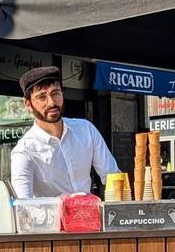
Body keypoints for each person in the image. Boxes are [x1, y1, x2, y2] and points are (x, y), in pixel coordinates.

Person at [9, 66, 119, 198]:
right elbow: (22, 204)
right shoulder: (24, 151)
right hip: (52, 212)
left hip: (90, 210)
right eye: (42, 97)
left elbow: (113, 177)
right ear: (28, 104)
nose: (51, 102)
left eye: (55, 93)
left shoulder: (86, 130)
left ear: (62, 94)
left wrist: (117, 205)